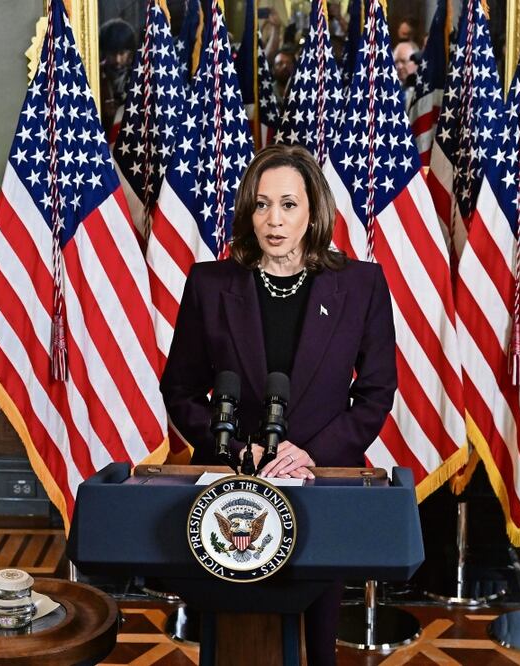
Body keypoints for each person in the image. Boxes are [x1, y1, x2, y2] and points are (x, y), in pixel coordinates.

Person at [160, 144, 398, 665]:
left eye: (288, 205)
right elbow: (179, 390)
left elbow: (376, 392)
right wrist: (238, 450)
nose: (274, 220)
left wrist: (310, 453)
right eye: (262, 204)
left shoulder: (360, 285)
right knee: (236, 640)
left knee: (319, 646)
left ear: (314, 211)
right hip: (232, 490)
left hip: (322, 485)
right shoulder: (210, 284)